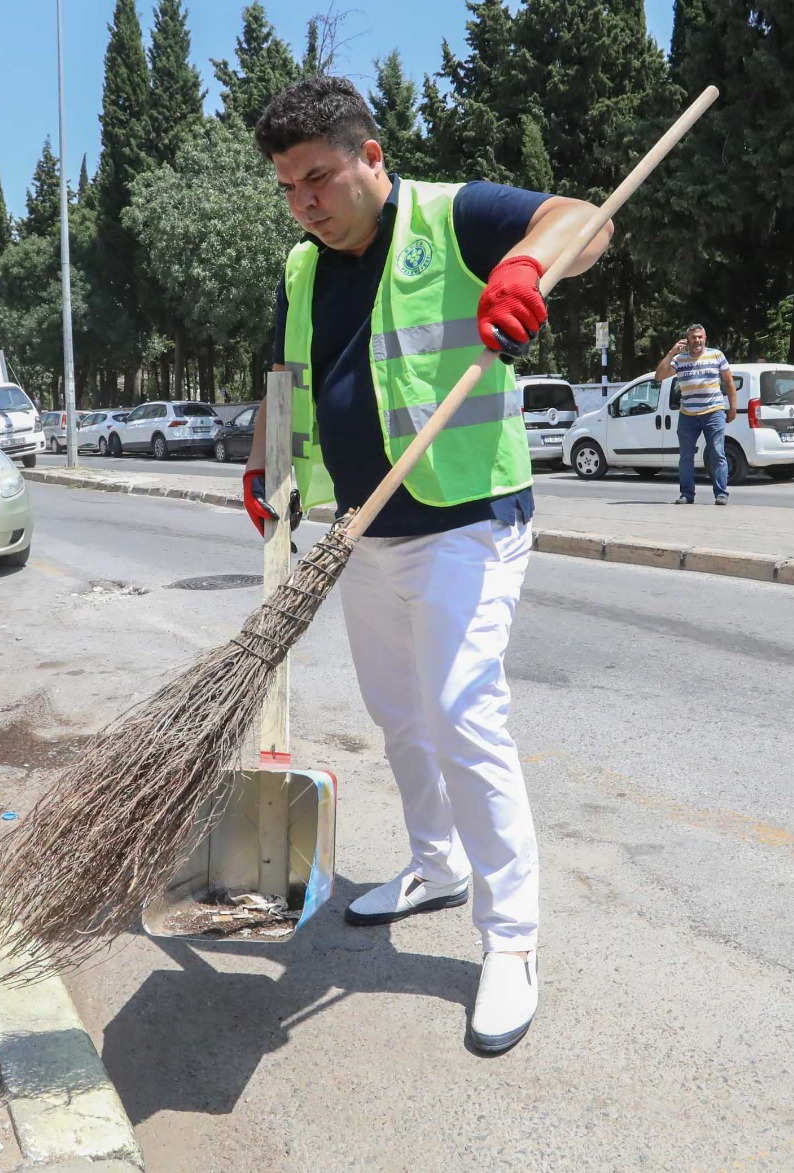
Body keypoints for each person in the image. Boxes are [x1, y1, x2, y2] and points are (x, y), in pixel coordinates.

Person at [243, 76, 613, 1054]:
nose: (305, 202)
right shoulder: (301, 268)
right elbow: (284, 379)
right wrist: (265, 464)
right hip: (362, 528)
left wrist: (527, 267)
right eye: (287, 187)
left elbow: (583, 221)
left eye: (318, 177)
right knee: (396, 712)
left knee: (459, 709)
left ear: (371, 156)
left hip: (465, 519)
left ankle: (511, 942)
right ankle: (434, 862)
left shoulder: (454, 215)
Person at [655, 323, 737, 505]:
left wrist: (732, 408)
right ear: (688, 340)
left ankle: (721, 493)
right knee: (685, 457)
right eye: (693, 337)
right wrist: (671, 353)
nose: (697, 340)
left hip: (713, 412)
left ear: (705, 338)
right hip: (688, 415)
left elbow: (729, 382)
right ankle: (687, 494)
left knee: (717, 453)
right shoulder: (680, 360)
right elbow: (659, 376)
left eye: (700, 337)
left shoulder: (716, 355)